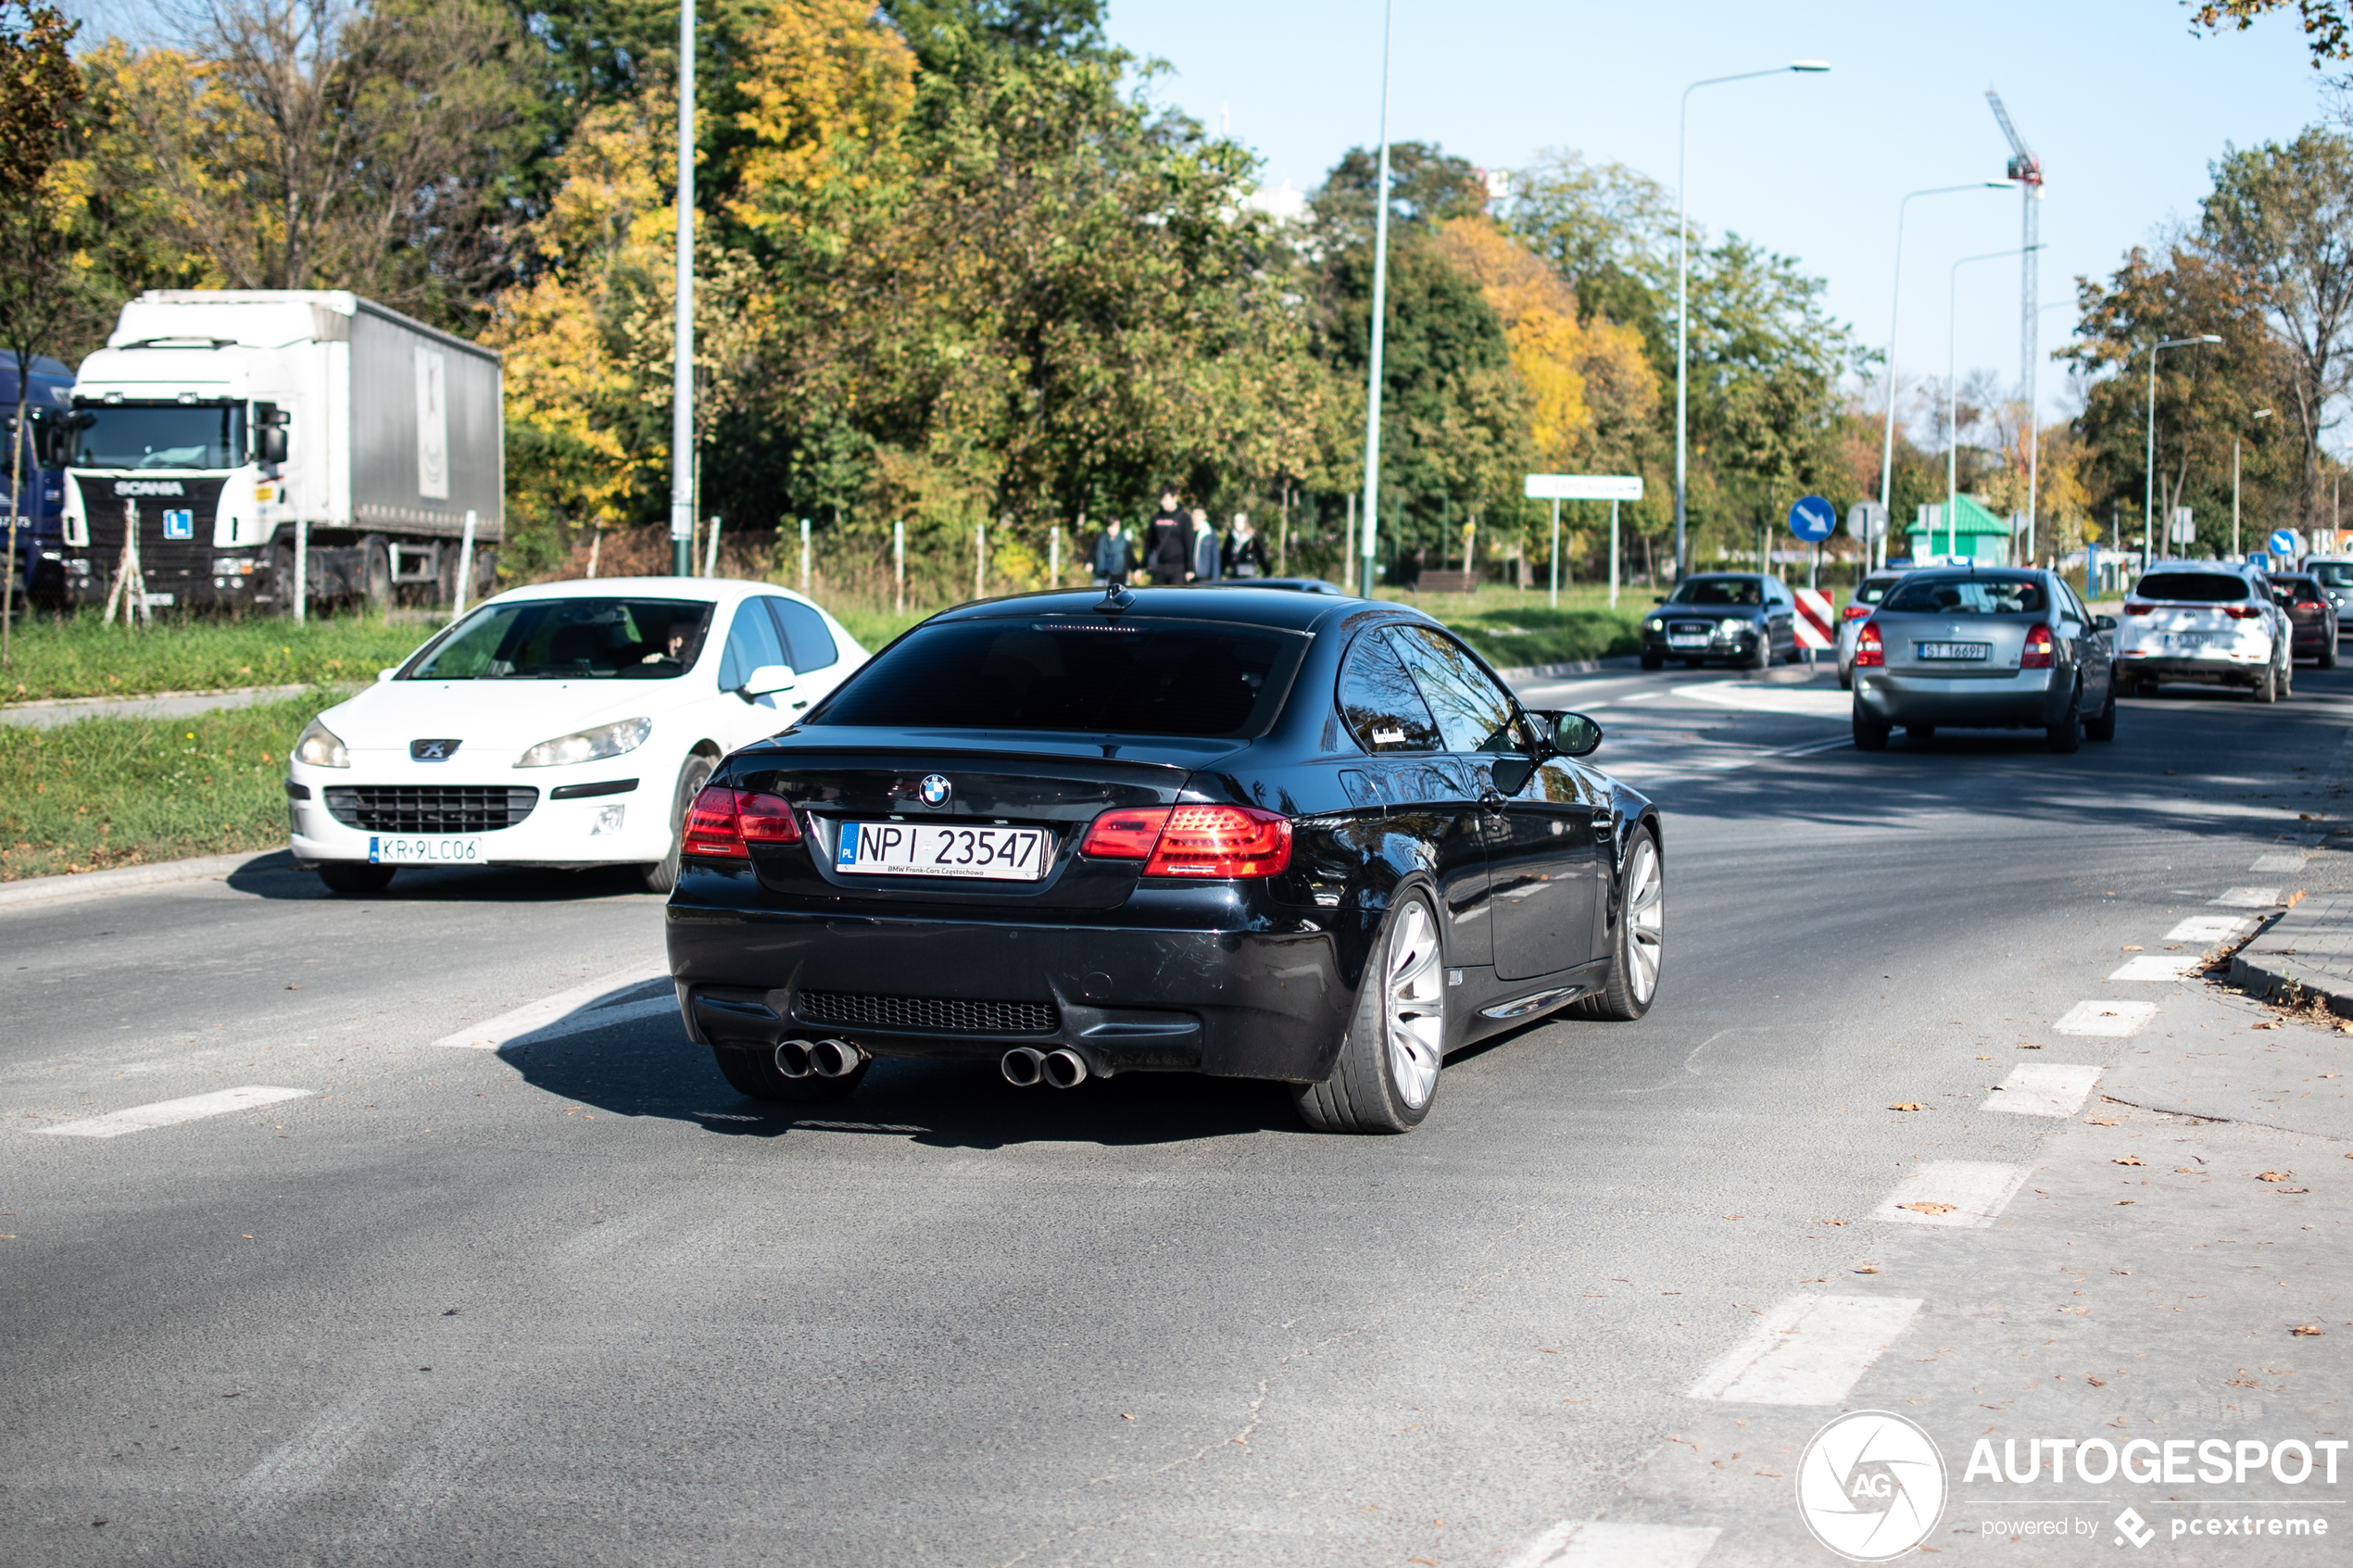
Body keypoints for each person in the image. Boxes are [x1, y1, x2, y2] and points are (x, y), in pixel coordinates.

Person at [1143, 488, 1187, 585]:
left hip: (1178, 568)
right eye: (1161, 500)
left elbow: (1189, 544)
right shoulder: (1156, 518)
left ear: (1174, 498)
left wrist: (1190, 569)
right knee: (1158, 599)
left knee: (1176, 599)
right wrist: (1144, 563)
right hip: (1159, 567)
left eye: (1166, 500)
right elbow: (1149, 542)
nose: (1163, 503)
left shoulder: (1184, 518)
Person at [1092, 519, 1135, 586]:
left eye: (1115, 526)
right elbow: (1092, 553)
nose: (1113, 529)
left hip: (1118, 578)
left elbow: (1130, 559)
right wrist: (1089, 562)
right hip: (1100, 577)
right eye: (1110, 526)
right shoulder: (1100, 540)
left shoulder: (1124, 542)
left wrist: (1136, 570)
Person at [1225, 513, 1267, 579]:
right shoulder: (1231, 537)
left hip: (1248, 575)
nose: (1238, 524)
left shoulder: (1253, 537)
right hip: (1234, 575)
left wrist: (1268, 572)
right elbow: (1225, 556)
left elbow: (1261, 556)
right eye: (1236, 521)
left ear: (1245, 523)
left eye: (1241, 522)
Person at [1189, 508, 1220, 583]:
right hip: (1190, 576)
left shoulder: (1209, 533)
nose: (1195, 517)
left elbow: (1215, 557)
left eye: (1199, 515)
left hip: (1204, 575)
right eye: (1194, 514)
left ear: (1204, 516)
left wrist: (1215, 579)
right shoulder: (1188, 531)